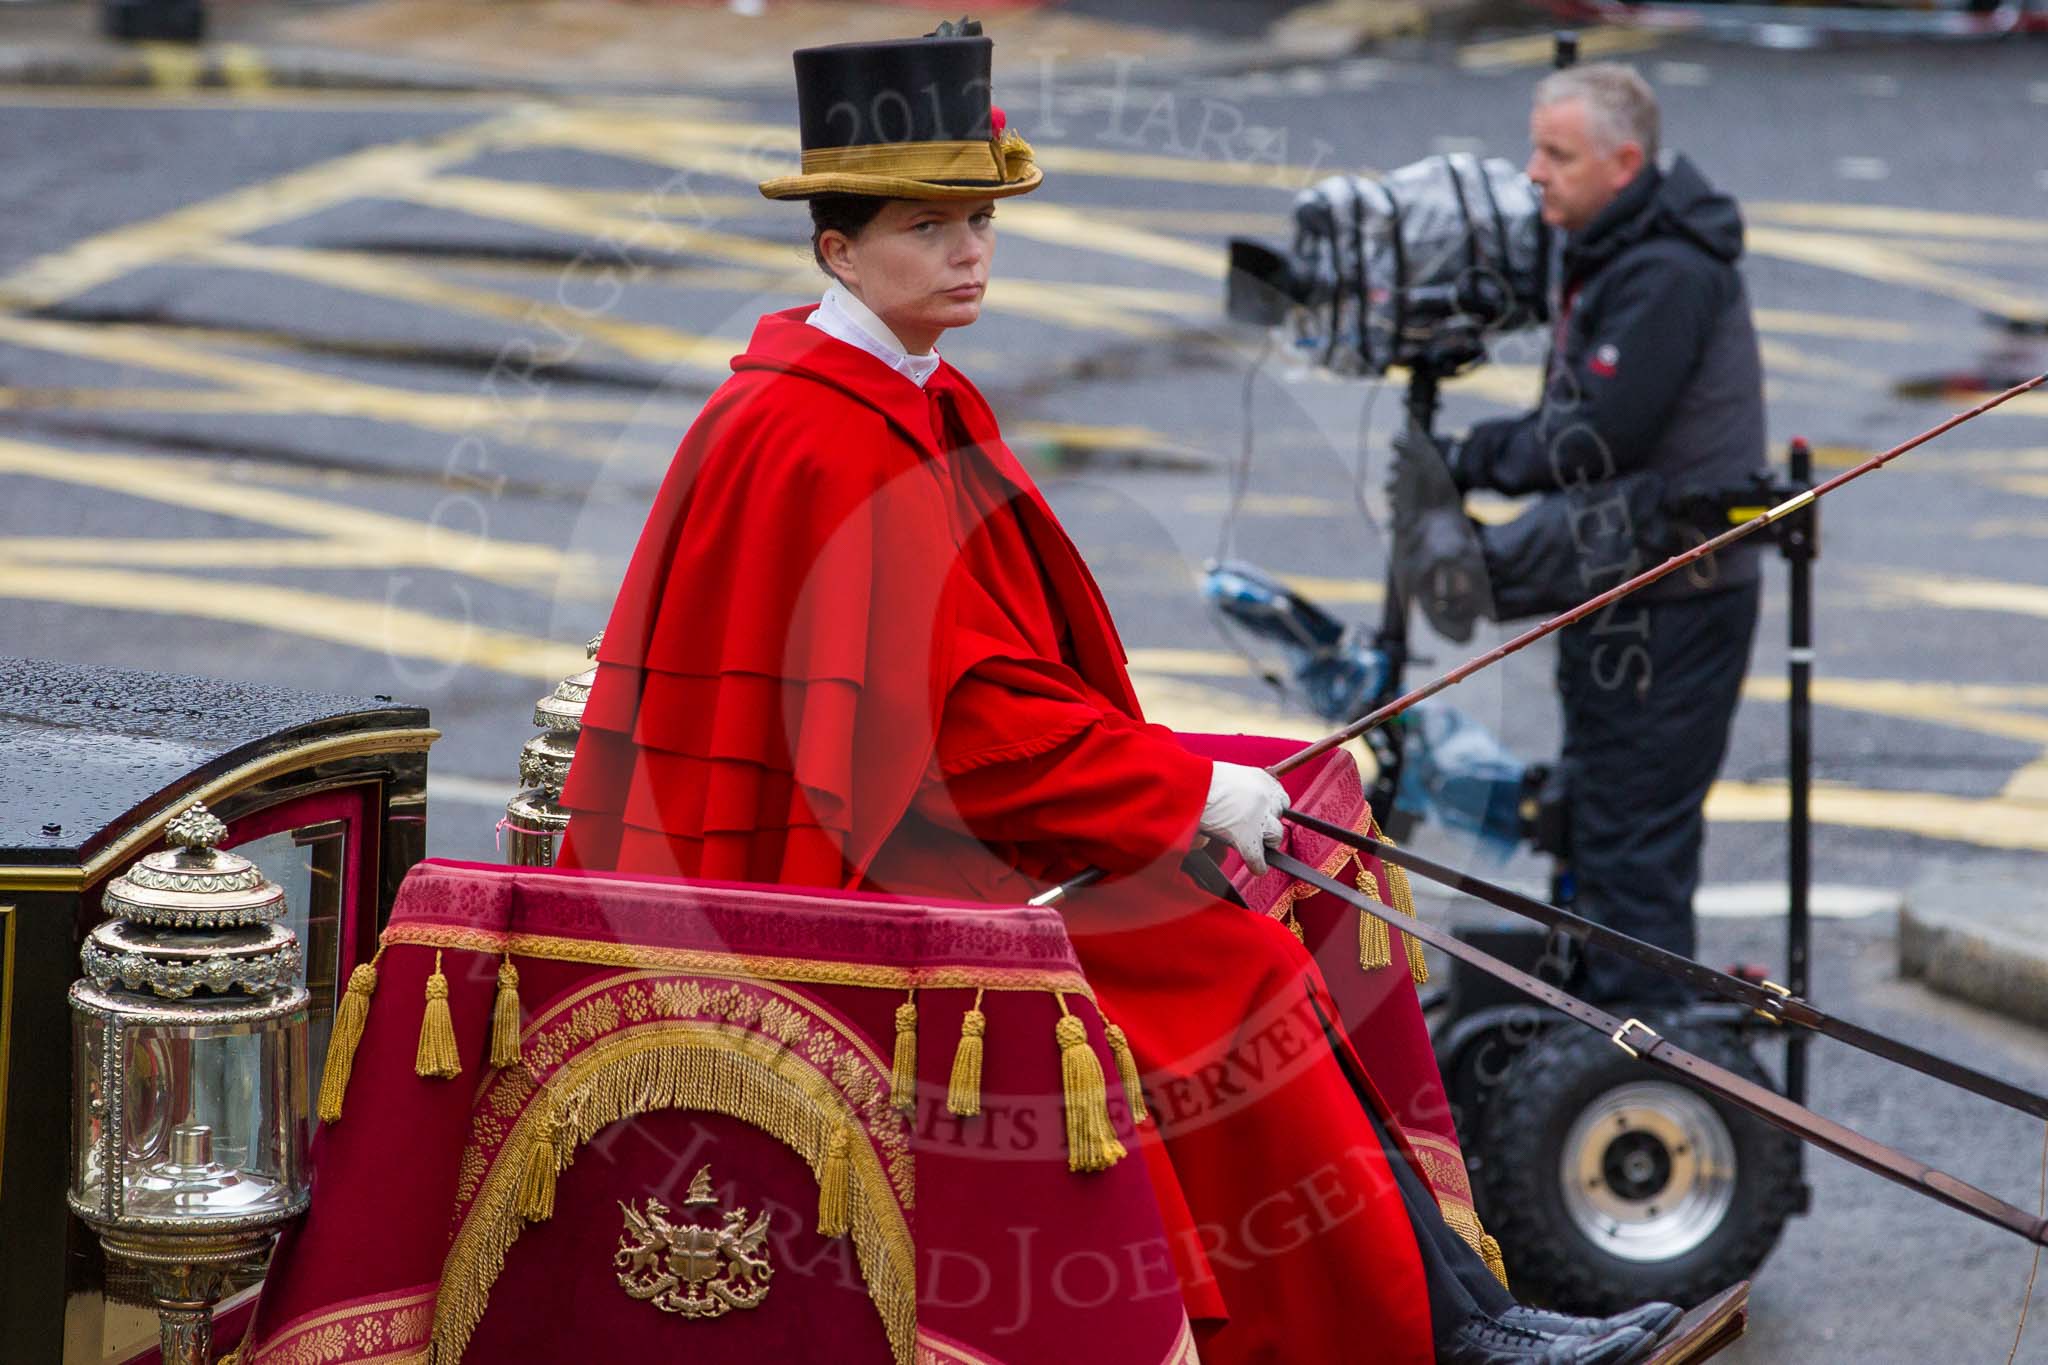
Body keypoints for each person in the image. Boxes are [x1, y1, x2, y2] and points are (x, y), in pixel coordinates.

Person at [560, 25, 1682, 1364]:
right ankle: (1424, 1336)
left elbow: (993, 692)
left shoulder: (903, 393)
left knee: (1263, 905)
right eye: (930, 226)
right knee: (1230, 963)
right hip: (851, 891)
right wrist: (1190, 791)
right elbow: (969, 735)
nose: (970, 252)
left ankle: (1469, 1315)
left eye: (979, 218)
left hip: (918, 835)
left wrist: (1181, 789)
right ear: (837, 248)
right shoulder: (820, 431)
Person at [1395, 63, 1766, 1007]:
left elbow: (1595, 436)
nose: (1534, 173)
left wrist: (1467, 455)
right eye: (1536, 149)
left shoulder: (1668, 270)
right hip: (1631, 590)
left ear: (1624, 161)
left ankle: (1642, 1063)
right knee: (1598, 826)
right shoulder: (1614, 241)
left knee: (1632, 844)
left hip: (1678, 602)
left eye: (1557, 155)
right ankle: (1598, 1037)